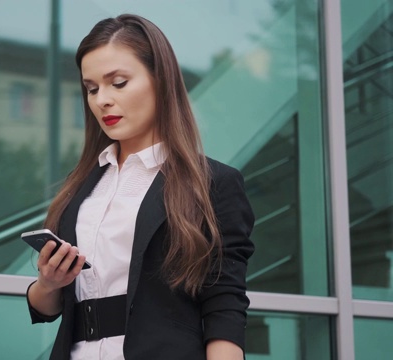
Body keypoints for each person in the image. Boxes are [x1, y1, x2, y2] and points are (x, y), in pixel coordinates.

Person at [26, 14, 255, 360]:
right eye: (91, 88)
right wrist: (48, 283)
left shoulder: (212, 184)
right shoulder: (83, 187)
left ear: (160, 81)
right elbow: (47, 309)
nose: (102, 99)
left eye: (118, 83)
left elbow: (224, 306)